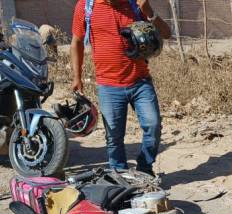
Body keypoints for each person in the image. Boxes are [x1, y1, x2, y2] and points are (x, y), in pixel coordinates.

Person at [71, 0, 171, 177]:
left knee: (153, 126)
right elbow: (77, 41)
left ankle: (144, 170)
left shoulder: (135, 4)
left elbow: (166, 33)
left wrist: (148, 12)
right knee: (114, 138)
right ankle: (121, 176)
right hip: (108, 86)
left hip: (140, 82)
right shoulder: (86, 7)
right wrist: (77, 77)